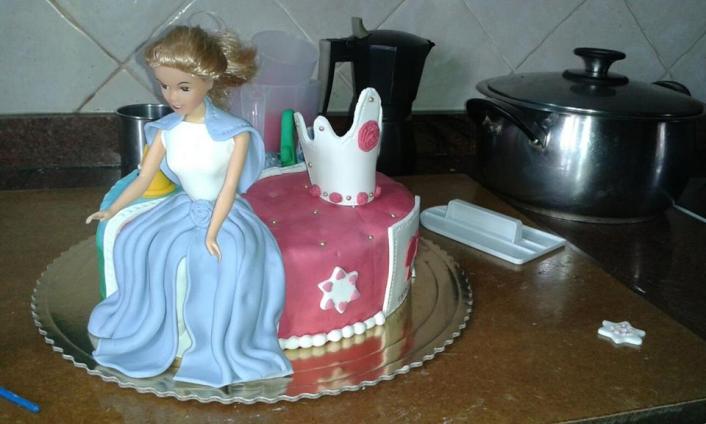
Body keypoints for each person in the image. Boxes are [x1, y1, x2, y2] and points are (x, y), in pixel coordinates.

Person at [85, 26, 292, 387]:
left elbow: (228, 189)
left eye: (183, 87)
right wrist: (113, 210)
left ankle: (216, 349)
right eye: (164, 86)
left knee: (224, 264)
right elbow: (143, 179)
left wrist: (212, 231)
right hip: (182, 209)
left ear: (209, 81)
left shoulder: (235, 135)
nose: (171, 96)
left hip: (225, 216)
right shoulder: (166, 131)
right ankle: (145, 332)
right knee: (138, 245)